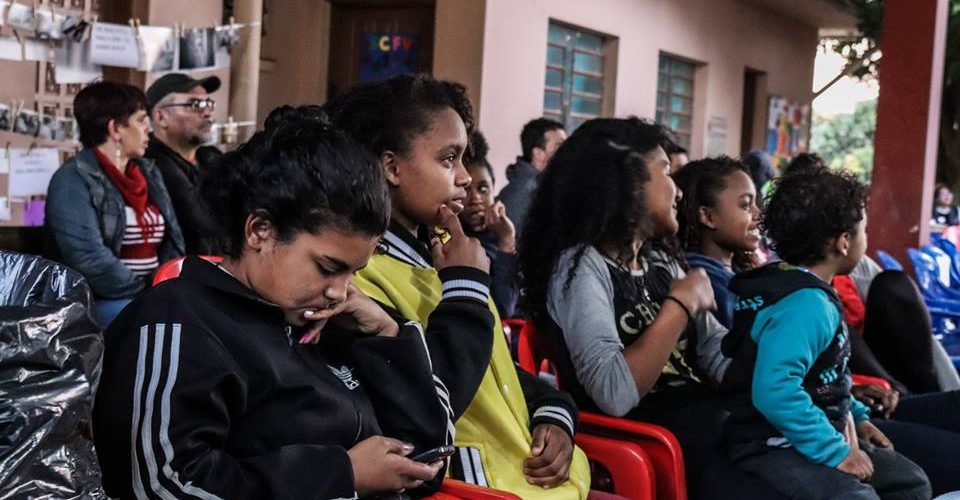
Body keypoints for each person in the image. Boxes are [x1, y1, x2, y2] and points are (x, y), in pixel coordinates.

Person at [93, 108, 455, 499]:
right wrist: (341, 475)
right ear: (260, 231)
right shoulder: (180, 321)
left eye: (353, 272)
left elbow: (427, 460)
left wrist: (387, 335)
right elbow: (165, 485)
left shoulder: (335, 322)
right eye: (328, 267)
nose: (340, 290)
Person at [326, 75, 592, 499]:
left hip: (525, 475)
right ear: (392, 167)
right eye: (449, 159)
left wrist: (553, 412)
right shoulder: (359, 276)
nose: (466, 177)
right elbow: (428, 401)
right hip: (471, 484)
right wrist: (465, 287)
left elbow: (498, 370)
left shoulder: (439, 255)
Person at [518, 117, 793, 500]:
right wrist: (679, 305)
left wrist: (792, 377)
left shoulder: (661, 263)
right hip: (657, 442)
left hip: (711, 427)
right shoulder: (580, 267)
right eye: (665, 171)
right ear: (628, 185)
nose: (677, 190)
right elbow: (613, 393)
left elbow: (718, 356)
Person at [722, 168, 931, 499]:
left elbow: (829, 375)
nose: (866, 238)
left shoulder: (806, 289)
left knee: (910, 481)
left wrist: (857, 417)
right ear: (843, 242)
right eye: (864, 230)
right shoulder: (805, 306)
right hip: (772, 444)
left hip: (812, 433)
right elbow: (773, 390)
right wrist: (836, 453)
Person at [45, 81, 185, 328]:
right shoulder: (72, 179)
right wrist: (147, 292)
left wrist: (167, 286)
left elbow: (173, 240)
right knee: (164, 321)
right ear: (116, 128)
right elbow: (88, 258)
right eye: (141, 120)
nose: (148, 129)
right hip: (96, 301)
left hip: (150, 295)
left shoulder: (148, 172)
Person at [674, 156, 760, 329]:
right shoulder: (707, 281)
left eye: (755, 204)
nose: (757, 214)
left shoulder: (734, 273)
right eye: (745, 205)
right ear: (708, 216)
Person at [145, 73, 222, 254]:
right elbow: (203, 220)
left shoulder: (209, 157)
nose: (207, 113)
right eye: (194, 104)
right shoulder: (151, 162)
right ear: (161, 117)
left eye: (208, 103)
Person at [459, 130, 519, 318]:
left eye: (483, 189)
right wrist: (506, 244)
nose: (475, 199)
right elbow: (503, 308)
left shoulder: (502, 232)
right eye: (465, 190)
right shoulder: (452, 243)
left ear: (495, 190)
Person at [497, 117, 566, 236]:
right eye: (560, 146)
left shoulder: (540, 187)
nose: (568, 151)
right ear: (538, 153)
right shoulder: (524, 192)